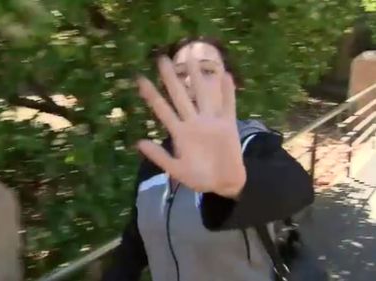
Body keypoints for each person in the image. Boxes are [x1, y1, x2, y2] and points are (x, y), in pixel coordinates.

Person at [100, 36, 314, 281]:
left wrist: (237, 185)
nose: (191, 80)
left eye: (207, 70)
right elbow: (135, 245)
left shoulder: (252, 145)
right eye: (180, 74)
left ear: (233, 85)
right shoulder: (156, 163)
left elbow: (297, 187)